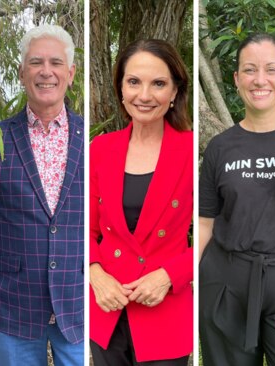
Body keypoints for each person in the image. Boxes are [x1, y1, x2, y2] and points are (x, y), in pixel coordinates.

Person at [0, 24, 84, 365]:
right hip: (14, 310)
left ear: (70, 73)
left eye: (55, 62)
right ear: (22, 72)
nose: (46, 71)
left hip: (79, 304)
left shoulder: (92, 142)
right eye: (36, 62)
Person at [199, 33, 275, 366]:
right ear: (236, 78)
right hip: (225, 284)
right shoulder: (220, 148)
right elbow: (204, 223)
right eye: (249, 70)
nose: (260, 80)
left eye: (271, 70)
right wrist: (198, 286)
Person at [89, 39, 193, 365]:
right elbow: (81, 227)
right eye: (134, 81)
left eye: (158, 83)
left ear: (175, 91)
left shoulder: (193, 150)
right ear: (121, 87)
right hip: (107, 310)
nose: (144, 95)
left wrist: (170, 274)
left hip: (164, 314)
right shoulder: (100, 149)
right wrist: (95, 275)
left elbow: (219, 232)